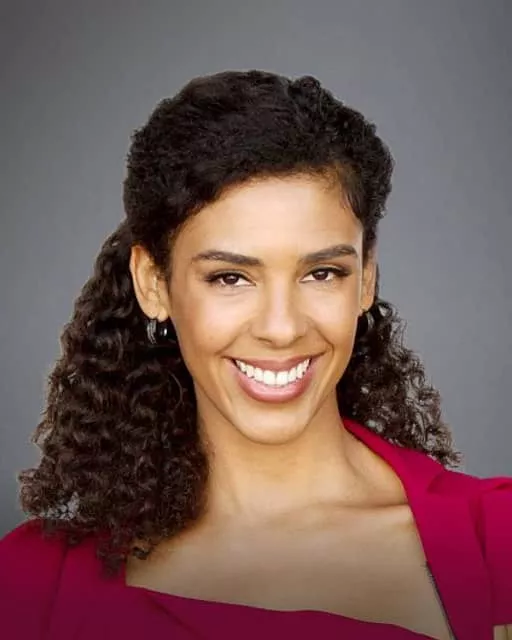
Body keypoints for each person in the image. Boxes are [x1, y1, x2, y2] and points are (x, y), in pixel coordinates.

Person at [0, 70, 510, 640]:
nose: (281, 328)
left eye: (323, 273)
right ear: (153, 284)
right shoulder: (32, 586)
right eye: (230, 278)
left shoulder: (498, 542)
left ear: (366, 278)